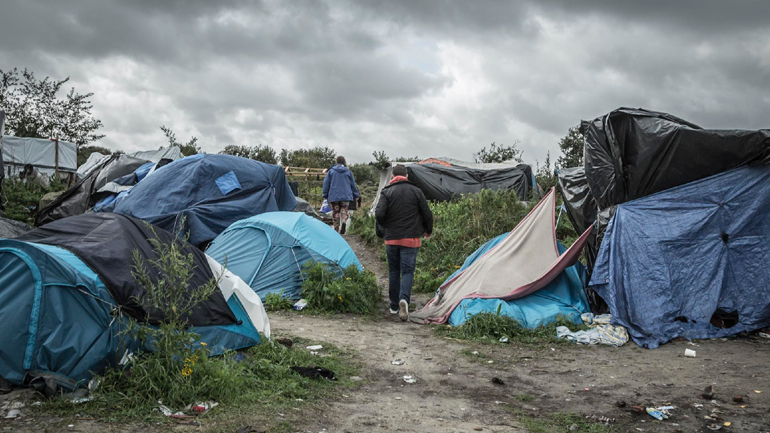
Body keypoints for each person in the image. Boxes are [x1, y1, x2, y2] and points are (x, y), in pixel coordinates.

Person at [375, 164, 433, 321]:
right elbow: (427, 213)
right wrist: (428, 230)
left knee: (393, 271)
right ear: (406, 176)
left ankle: (394, 306)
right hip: (411, 239)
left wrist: (386, 225)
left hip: (392, 238)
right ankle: (404, 300)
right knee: (407, 271)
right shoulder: (416, 191)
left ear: (393, 176)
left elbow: (379, 214)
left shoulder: (386, 192)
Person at [322, 156, 360, 234]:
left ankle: (336, 229)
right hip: (346, 196)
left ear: (336, 162)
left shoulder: (331, 171)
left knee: (336, 212)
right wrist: (356, 195)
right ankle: (343, 221)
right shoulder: (348, 172)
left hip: (334, 196)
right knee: (343, 210)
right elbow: (353, 184)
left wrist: (325, 194)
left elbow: (326, 183)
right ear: (344, 162)